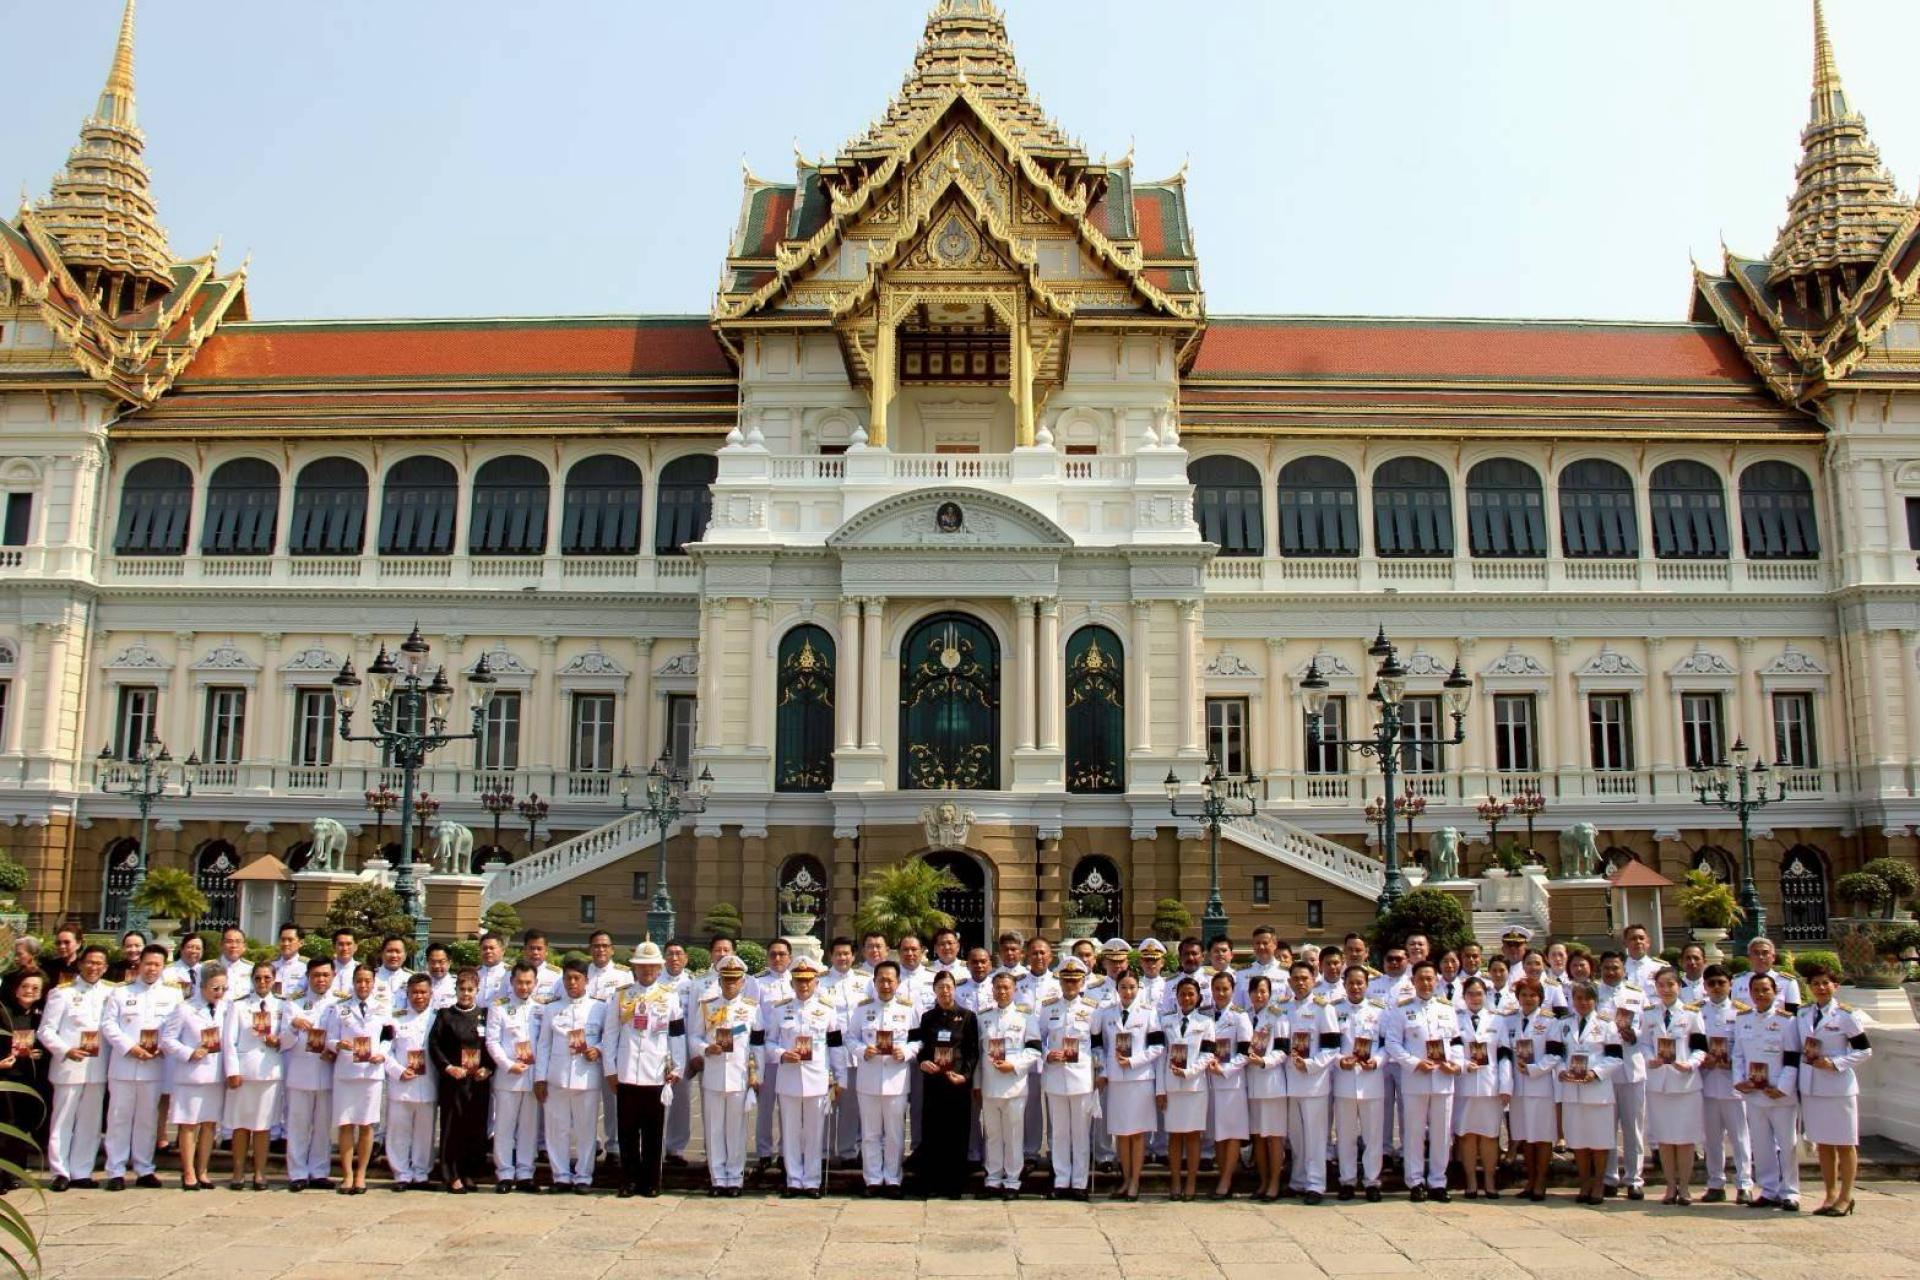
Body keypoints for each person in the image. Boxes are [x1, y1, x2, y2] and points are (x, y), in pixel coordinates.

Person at [608, 941, 685, 1198]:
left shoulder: (669, 996)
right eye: (642, 966)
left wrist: (677, 1067)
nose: (647, 971)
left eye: (652, 966)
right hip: (628, 1070)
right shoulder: (621, 996)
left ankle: (651, 1181)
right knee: (627, 1132)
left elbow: (677, 1036)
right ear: (634, 968)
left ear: (659, 967)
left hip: (656, 1072)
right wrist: (611, 1069)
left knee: (654, 1133)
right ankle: (628, 1180)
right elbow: (610, 1035)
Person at [100, 942, 179, 1189]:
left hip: (154, 1065)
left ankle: (144, 1168)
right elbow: (108, 1025)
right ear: (139, 965)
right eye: (148, 964)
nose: (152, 969)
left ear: (163, 967)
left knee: (147, 1118)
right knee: (118, 1118)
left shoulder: (172, 994)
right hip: (124, 1064)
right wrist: (130, 1046)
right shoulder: (121, 993)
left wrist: (162, 1047)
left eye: (157, 964)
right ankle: (115, 1170)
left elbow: (175, 1027)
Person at [1797, 961, 1870, 1216]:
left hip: (1838, 1086)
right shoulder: (1803, 1014)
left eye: (1825, 983)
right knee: (1824, 1144)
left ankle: (1846, 1195)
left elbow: (1864, 1050)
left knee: (1845, 1143)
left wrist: (1836, 1063)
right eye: (1815, 984)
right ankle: (1829, 1194)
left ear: (1835, 986)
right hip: (1813, 1086)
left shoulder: (1846, 1015)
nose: (1820, 988)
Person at [1383, 959, 1460, 1203]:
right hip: (1415, 1079)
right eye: (1421, 979)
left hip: (1443, 1079)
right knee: (1414, 1133)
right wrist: (1414, 1063)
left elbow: (1456, 1042)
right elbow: (1392, 1043)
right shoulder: (1402, 1009)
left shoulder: (1447, 1009)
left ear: (1436, 980)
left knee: (1441, 1133)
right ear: (1413, 981)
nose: (1426, 983)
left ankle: (1438, 1181)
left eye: (1430, 978)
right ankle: (1415, 1181)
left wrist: (1455, 1063)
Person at [766, 956, 841, 1198]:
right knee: (790, 1131)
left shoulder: (828, 1010)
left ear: (816, 982)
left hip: (817, 1078)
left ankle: (812, 1181)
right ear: (792, 983)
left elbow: (836, 1046)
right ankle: (793, 1180)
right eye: (799, 981)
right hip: (788, 1077)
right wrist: (781, 1053)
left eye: (808, 981)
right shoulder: (780, 1009)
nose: (804, 986)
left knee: (814, 1132)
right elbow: (767, 1042)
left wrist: (839, 1079)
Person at [39, 942, 110, 1190]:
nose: (94, 967)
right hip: (69, 1065)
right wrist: (65, 1049)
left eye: (99, 963)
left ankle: (82, 1171)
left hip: (97, 1066)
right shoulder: (62, 993)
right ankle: (60, 1171)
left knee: (90, 1122)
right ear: (80, 964)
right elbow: (46, 1030)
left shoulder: (111, 993)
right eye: (90, 962)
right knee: (63, 1119)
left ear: (105, 968)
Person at [1732, 971, 1801, 1211]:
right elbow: (1738, 1054)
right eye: (1756, 991)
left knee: (1787, 1143)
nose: (1760, 995)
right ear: (1749, 994)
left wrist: (1782, 1087)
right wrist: (1739, 1081)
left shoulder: (1787, 1020)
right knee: (1760, 1144)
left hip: (1780, 1093)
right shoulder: (1743, 1019)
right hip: (1754, 1092)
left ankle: (1790, 1191)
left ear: (1775, 992)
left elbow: (1793, 1057)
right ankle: (1769, 1189)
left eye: (1765, 990)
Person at [535, 959, 605, 1194]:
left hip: (587, 1077)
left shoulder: (599, 1008)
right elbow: (543, 1045)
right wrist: (539, 1078)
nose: (572, 983)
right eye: (568, 978)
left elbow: (609, 1037)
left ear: (587, 980)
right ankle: (561, 1176)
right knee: (557, 1130)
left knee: (586, 1131)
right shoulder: (552, 1009)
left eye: (577, 978)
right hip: (557, 1077)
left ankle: (584, 1176)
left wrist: (600, 1049)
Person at [689, 953, 756, 1196]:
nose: (730, 984)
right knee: (714, 1129)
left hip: (739, 1076)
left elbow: (757, 1043)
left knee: (736, 1130)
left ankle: (735, 1178)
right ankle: (717, 1178)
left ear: (742, 982)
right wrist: (706, 1048)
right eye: (726, 979)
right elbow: (694, 1036)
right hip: (714, 1074)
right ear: (719, 980)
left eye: (735, 979)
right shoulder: (707, 1007)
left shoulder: (751, 1009)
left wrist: (755, 1075)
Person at [847, 959, 915, 1196]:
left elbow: (918, 1040)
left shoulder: (908, 1010)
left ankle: (893, 1179)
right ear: (874, 982)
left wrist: (906, 1052)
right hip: (868, 1080)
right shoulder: (863, 1009)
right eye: (881, 980)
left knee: (895, 1134)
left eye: (890, 980)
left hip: (896, 1080)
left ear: (898, 982)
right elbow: (850, 1038)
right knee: (870, 1134)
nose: (886, 984)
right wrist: (861, 1051)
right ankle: (873, 1179)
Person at [1641, 965, 1705, 1205]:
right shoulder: (1649, 1014)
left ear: (1679, 986)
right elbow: (1644, 1044)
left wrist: (1690, 1063)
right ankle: (1670, 1186)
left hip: (1685, 1084)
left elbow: (1700, 1046)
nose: (1666, 989)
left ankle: (1686, 1187)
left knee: (1685, 1139)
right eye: (1661, 985)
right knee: (1666, 1139)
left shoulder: (1691, 1014)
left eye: (1670, 984)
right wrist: (1651, 1060)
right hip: (1659, 1084)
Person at [912, 970, 977, 1199]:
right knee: (933, 1132)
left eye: (948, 987)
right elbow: (920, 1047)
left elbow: (972, 1052)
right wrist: (923, 1062)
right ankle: (931, 1182)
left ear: (955, 989)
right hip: (934, 1082)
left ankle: (954, 1185)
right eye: (940, 987)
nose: (945, 991)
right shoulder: (928, 1017)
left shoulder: (967, 1016)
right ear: (934, 990)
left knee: (957, 1133)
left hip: (957, 1082)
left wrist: (966, 1076)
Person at [1096, 969, 1160, 1202]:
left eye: (1132, 987)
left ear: (1138, 988)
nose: (1128, 991)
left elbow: (1157, 1047)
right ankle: (1125, 1178)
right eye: (1124, 987)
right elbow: (1098, 1046)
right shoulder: (1106, 1013)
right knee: (1121, 1133)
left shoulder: (1148, 1013)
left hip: (1140, 1080)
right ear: (1117, 989)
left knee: (1137, 1134)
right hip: (1116, 1080)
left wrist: (1134, 1061)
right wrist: (1103, 1069)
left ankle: (1135, 1181)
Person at [975, 970, 1040, 1200]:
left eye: (1006, 988)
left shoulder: (1025, 1017)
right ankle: (992, 1178)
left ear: (1014, 990)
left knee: (1013, 1135)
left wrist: (1013, 1064)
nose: (1002, 992)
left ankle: (1012, 1180)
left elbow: (1034, 1050)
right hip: (990, 1085)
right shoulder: (983, 1017)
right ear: (992, 991)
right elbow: (978, 1056)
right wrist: (976, 1084)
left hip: (1014, 1084)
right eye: (998, 988)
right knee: (992, 1134)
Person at [1039, 956, 1099, 1200]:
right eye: (1066, 980)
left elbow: (1098, 1044)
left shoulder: (1092, 1009)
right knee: (1060, 1133)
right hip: (1055, 1076)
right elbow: (1037, 1039)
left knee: (1081, 1134)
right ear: (1060, 981)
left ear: (1083, 981)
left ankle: (1080, 1183)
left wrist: (1100, 1070)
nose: (1071, 985)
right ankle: (1061, 1181)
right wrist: (1047, 1054)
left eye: (1075, 980)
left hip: (1082, 1078)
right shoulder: (1048, 1008)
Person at [163, 964, 228, 1190]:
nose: (219, 992)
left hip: (216, 1074)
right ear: (202, 986)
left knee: (210, 1124)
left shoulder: (226, 1008)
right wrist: (190, 1052)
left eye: (223, 988)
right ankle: (188, 1171)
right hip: (191, 1075)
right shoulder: (185, 1008)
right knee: (189, 1124)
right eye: (214, 988)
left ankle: (203, 1170)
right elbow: (168, 1039)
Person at [1278, 960, 1339, 1202]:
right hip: (1290, 1081)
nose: (1300, 983)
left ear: (1314, 980)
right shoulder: (1283, 1008)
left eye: (1305, 978)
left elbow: (1332, 1046)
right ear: (1289, 981)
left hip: (1314, 1082)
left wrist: (1312, 1064)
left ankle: (1316, 1184)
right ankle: (1298, 1180)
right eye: (1296, 979)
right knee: (1296, 1136)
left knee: (1315, 1136)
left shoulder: (1324, 1008)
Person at [325, 963, 388, 1194]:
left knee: (366, 1124)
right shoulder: (339, 1008)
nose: (363, 985)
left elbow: (390, 1037)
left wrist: (382, 1053)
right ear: (353, 982)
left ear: (373, 983)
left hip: (370, 1073)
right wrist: (337, 1044)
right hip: (346, 1072)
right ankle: (347, 1174)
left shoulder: (382, 1008)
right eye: (359, 981)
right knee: (345, 1124)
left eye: (367, 981)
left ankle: (361, 1173)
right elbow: (329, 1037)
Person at [426, 967, 490, 1194]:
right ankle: (451, 1175)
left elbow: (490, 1046)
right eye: (462, 989)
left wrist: (488, 1069)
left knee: (474, 1128)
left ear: (477, 990)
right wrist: (448, 1067)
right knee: (453, 1128)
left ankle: (469, 1172)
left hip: (477, 1083)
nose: (465, 994)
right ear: (456, 990)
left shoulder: (485, 1014)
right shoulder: (445, 1015)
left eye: (470, 989)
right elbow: (434, 1045)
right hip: (454, 1082)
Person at [222, 960, 284, 1191]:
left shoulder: (281, 1006)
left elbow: (289, 1036)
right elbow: (229, 1041)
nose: (262, 982)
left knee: (263, 1126)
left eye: (267, 978)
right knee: (240, 1126)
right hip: (245, 1071)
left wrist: (279, 1041)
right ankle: (238, 1172)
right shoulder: (238, 1006)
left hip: (269, 1071)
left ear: (274, 980)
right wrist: (232, 1071)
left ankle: (260, 1173)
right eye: (258, 978)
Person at [1561, 980, 1624, 1204]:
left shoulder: (1606, 1024)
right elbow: (1557, 1053)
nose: (1583, 1002)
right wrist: (1561, 1071)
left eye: (1588, 998)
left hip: (1597, 1091)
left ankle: (1598, 1183)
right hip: (1572, 1089)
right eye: (1578, 998)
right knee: (1578, 1140)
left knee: (1599, 1140)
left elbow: (1616, 1056)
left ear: (1595, 1000)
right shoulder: (1564, 1024)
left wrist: (1596, 1073)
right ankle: (1584, 1182)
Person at [486, 961, 544, 1193]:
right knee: (505, 1126)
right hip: (508, 1076)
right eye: (519, 982)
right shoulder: (499, 1007)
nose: (523, 986)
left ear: (535, 983)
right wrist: (508, 1064)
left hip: (532, 1076)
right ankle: (505, 1173)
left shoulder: (541, 1008)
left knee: (529, 1127)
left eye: (528, 982)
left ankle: (525, 1172)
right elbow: (492, 1041)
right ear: (511, 982)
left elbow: (545, 1042)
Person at [1329, 966, 1385, 1203]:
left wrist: (1378, 1060)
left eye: (1360, 983)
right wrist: (1340, 1060)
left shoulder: (1379, 1011)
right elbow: (1328, 1044)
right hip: (1344, 1081)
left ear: (1367, 985)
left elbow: (1386, 1044)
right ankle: (1348, 1180)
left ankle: (1372, 1181)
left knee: (1373, 1136)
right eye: (1351, 983)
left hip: (1371, 1081)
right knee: (1346, 1136)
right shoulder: (1334, 1010)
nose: (1355, 987)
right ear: (1344, 984)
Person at [1696, 964, 1751, 1203]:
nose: (1717, 987)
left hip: (1733, 1083)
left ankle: (1744, 1183)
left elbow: (1749, 1049)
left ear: (1730, 985)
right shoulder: (1697, 1012)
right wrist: (1701, 1059)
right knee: (1712, 1137)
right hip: (1707, 1081)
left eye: (1721, 983)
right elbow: (1692, 1044)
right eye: (1711, 983)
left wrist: (1734, 1065)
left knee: (1739, 1137)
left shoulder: (1742, 1013)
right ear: (1705, 987)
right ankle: (1715, 1182)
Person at [281, 957, 337, 1191]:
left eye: (325, 975)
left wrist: (334, 1051)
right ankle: (297, 1172)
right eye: (316, 975)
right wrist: (294, 1027)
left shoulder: (341, 1003)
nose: (321, 979)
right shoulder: (293, 1004)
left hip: (327, 1070)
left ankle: (319, 1171)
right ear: (308, 977)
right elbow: (283, 1042)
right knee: (298, 1125)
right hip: (301, 1071)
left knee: (323, 1126)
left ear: (333, 976)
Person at [1452, 976, 1510, 1199]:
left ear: (1486, 996)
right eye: (1470, 994)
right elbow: (1453, 1048)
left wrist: (1506, 1085)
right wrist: (1464, 1064)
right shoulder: (1455, 1019)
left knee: (1489, 1135)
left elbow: (1505, 1054)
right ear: (1464, 996)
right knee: (1467, 1135)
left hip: (1490, 1086)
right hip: (1464, 1084)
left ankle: (1489, 1179)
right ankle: (1471, 1181)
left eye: (1479, 994)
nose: (1475, 998)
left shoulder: (1497, 1020)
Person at [1505, 976, 1560, 1202]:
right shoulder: (1509, 1021)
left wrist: (1535, 1069)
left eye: (1533, 995)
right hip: (1518, 1086)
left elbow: (1556, 1053)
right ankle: (1530, 1181)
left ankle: (1541, 1182)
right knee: (1524, 1136)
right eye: (1524, 995)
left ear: (1540, 998)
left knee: (1542, 1136)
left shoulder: (1550, 1021)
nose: (1528, 999)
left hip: (1540, 1084)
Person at [383, 973, 437, 1191]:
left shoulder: (437, 1017)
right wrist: (397, 1070)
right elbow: (385, 1049)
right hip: (402, 1084)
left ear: (431, 994)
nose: (419, 997)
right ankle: (401, 1174)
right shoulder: (395, 1018)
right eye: (414, 992)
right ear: (407, 994)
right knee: (399, 1131)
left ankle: (421, 1173)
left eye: (423, 992)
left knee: (425, 1133)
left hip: (428, 1083)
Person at [1157, 974, 1208, 1202]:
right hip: (1171, 1086)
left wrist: (1189, 1071)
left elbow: (1208, 1055)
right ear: (1176, 997)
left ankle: (1191, 1181)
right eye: (1182, 994)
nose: (1186, 998)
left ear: (1198, 998)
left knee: (1193, 1136)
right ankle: (1176, 1179)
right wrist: (1160, 1089)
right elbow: (1161, 1057)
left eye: (1191, 994)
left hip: (1195, 1086)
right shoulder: (1165, 1021)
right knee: (1174, 1136)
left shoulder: (1206, 1023)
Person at [0, 971, 49, 1190]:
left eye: (35, 988)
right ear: (15, 987)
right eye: (25, 986)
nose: (29, 991)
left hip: (30, 1078)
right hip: (5, 1077)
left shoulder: (41, 1015)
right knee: (5, 1125)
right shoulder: (4, 1013)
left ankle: (14, 1173)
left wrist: (38, 1053)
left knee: (23, 1125)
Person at [1733, 938, 1802, 1013]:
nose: (1761, 957)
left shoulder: (1788, 982)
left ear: (1773, 957)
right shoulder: (1738, 981)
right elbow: (1733, 1011)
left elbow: (1793, 1014)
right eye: (1756, 953)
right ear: (1749, 958)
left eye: (1765, 953)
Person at [271, 924, 309, 1000]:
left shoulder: (308, 967)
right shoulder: (271, 965)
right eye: (283, 940)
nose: (286, 943)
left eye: (290, 940)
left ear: (301, 943)